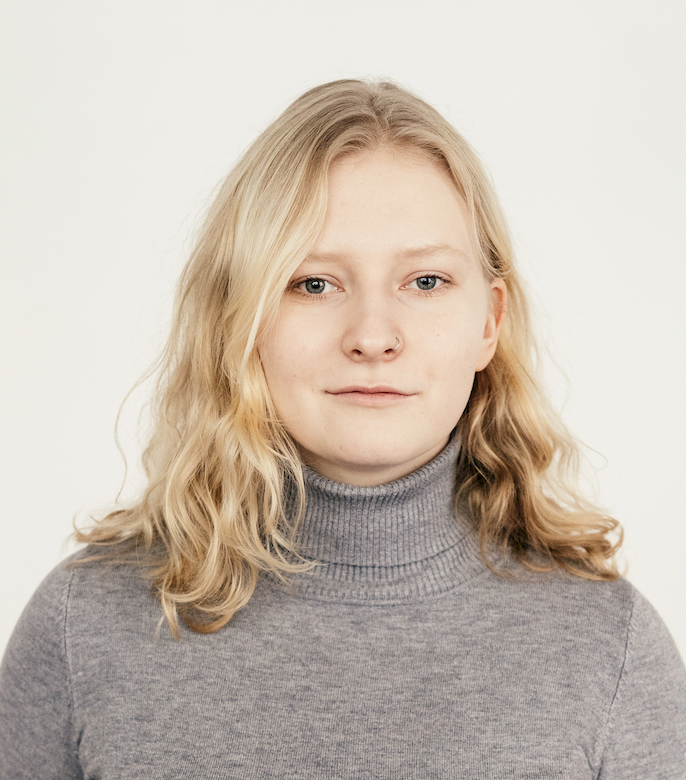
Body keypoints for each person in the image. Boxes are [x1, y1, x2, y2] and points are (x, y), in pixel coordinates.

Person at [1, 79, 684, 779]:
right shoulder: (82, 627)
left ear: (490, 321)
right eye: (315, 283)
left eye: (425, 282)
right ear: (239, 319)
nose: (373, 336)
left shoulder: (612, 649)